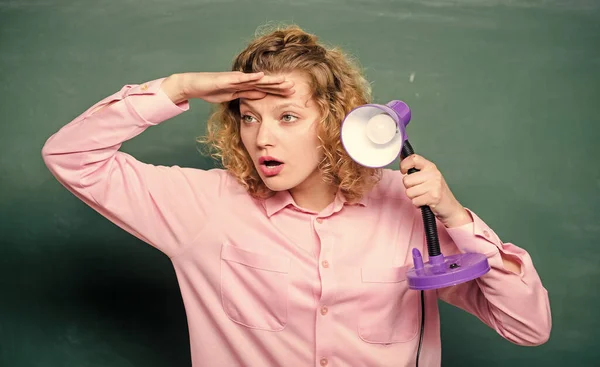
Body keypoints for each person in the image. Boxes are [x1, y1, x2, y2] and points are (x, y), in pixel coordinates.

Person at [41, 25, 551, 367]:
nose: (263, 138)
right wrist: (178, 88)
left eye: (287, 117)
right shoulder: (202, 207)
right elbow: (69, 156)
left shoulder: (408, 206)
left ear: (335, 120)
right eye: (248, 117)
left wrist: (456, 217)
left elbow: (527, 328)